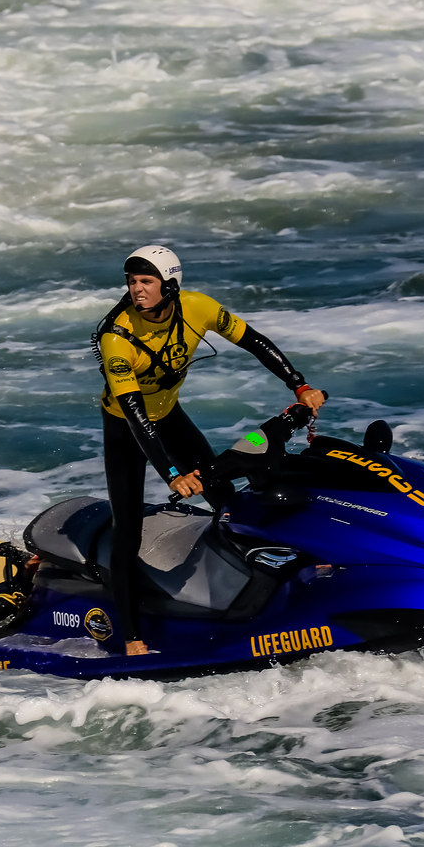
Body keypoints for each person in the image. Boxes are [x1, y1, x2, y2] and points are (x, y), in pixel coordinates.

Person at [94, 244, 327, 655]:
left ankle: (257, 594)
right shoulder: (117, 337)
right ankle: (133, 638)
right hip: (126, 430)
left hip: (169, 416)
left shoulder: (197, 306)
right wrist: (171, 474)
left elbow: (254, 341)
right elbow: (134, 416)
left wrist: (300, 385)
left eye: (145, 281)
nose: (136, 290)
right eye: (132, 282)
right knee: (127, 532)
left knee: (225, 499)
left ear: (169, 284)